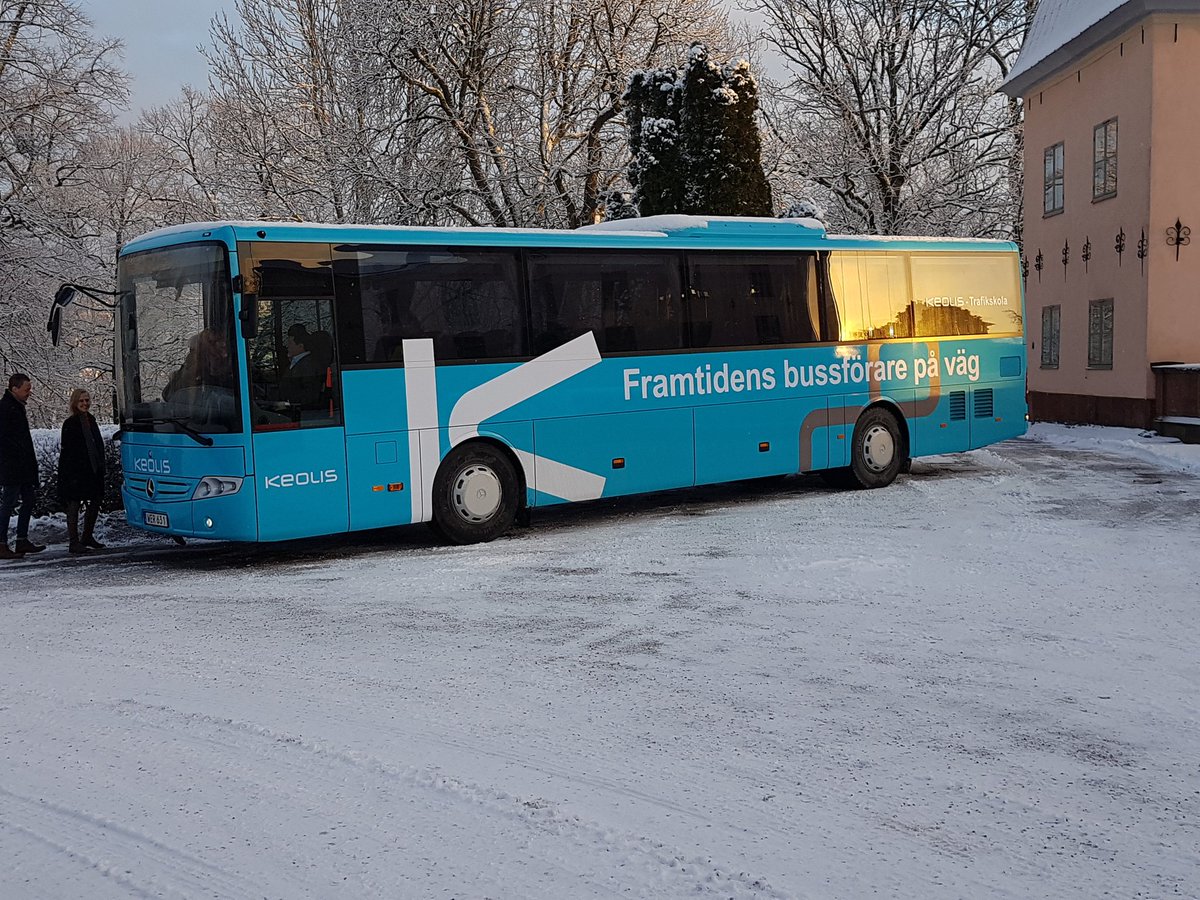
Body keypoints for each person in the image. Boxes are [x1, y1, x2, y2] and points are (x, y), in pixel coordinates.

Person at [0, 373, 46, 559]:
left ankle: (21, 539)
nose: (29, 393)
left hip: (21, 466)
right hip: (13, 466)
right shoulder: (6, 409)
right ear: (15, 389)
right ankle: (3, 542)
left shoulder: (14, 407)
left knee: (27, 500)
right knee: (9, 503)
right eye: (26, 389)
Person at [58, 388, 107, 554]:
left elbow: (97, 444)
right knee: (74, 505)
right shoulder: (70, 424)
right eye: (81, 401)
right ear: (75, 403)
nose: (85, 403)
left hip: (92, 469)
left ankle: (87, 536)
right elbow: (68, 452)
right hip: (76, 471)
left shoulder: (91, 420)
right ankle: (74, 541)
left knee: (95, 501)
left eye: (87, 400)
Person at [282, 324, 323, 410]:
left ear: (300, 346)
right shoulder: (296, 363)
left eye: (290, 343)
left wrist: (288, 404)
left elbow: (309, 395)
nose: (287, 346)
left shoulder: (308, 365)